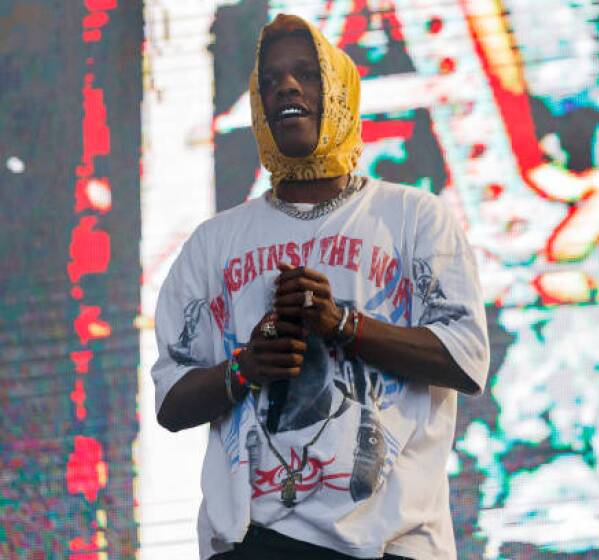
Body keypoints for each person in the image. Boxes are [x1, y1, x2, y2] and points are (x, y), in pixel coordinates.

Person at [151, 13, 489, 560]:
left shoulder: (414, 218)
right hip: (254, 543)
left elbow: (467, 361)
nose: (286, 85)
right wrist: (246, 366)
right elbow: (171, 402)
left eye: (306, 74)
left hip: (393, 544)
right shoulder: (213, 244)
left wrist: (344, 325)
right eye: (270, 80)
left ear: (340, 90)